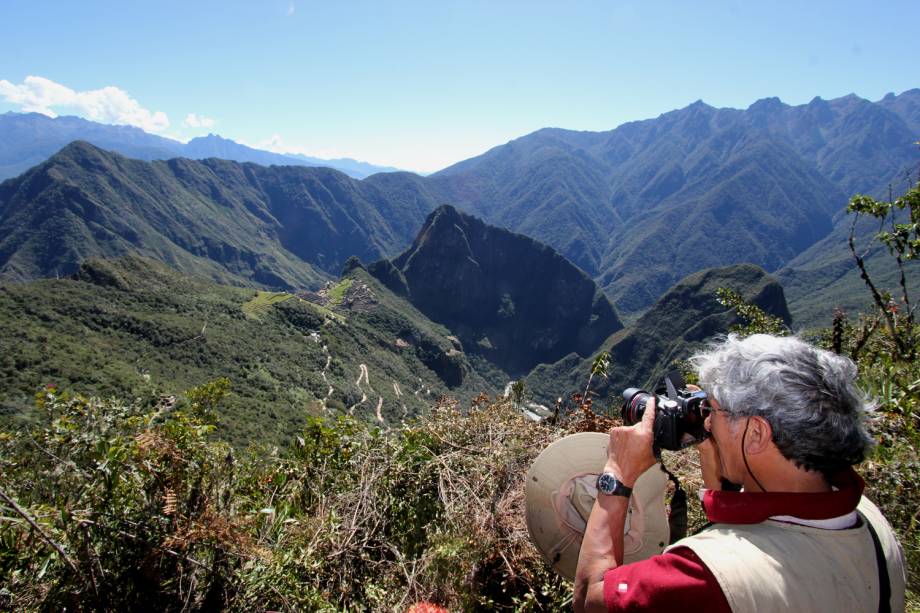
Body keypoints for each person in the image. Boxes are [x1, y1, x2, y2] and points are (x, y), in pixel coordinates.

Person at [573, 334, 906, 612]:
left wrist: (617, 474)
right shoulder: (870, 520)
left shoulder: (705, 574)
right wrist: (722, 480)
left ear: (757, 433)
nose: (706, 422)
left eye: (714, 411)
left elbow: (591, 598)